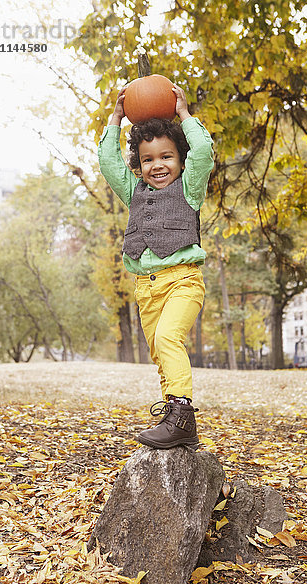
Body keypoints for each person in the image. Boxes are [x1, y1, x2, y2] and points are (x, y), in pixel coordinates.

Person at [98, 83, 214, 449]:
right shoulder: (133, 192)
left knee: (169, 338)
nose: (157, 165)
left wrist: (183, 114)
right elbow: (108, 161)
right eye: (148, 160)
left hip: (183, 282)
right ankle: (175, 421)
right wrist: (116, 119)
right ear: (140, 165)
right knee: (161, 355)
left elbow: (205, 152)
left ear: (180, 160)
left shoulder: (190, 188)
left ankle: (182, 414)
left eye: (166, 157)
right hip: (146, 288)